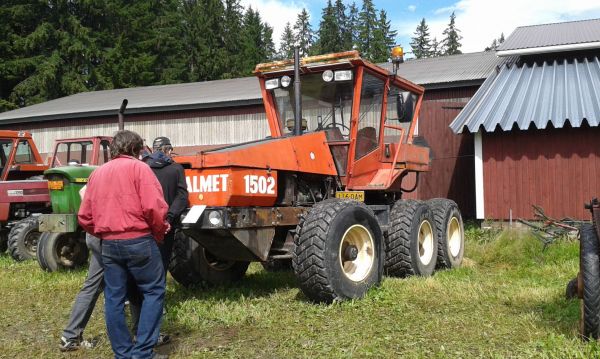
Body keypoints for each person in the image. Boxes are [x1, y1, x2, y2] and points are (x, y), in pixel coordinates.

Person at [78, 130, 170, 359]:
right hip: (139, 239)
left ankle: (123, 353)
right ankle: (142, 352)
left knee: (114, 298)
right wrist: (158, 233)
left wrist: (101, 232)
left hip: (109, 243)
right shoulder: (140, 169)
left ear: (114, 149)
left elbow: (85, 216)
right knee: (153, 291)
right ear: (137, 149)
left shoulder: (97, 174)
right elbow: (154, 208)